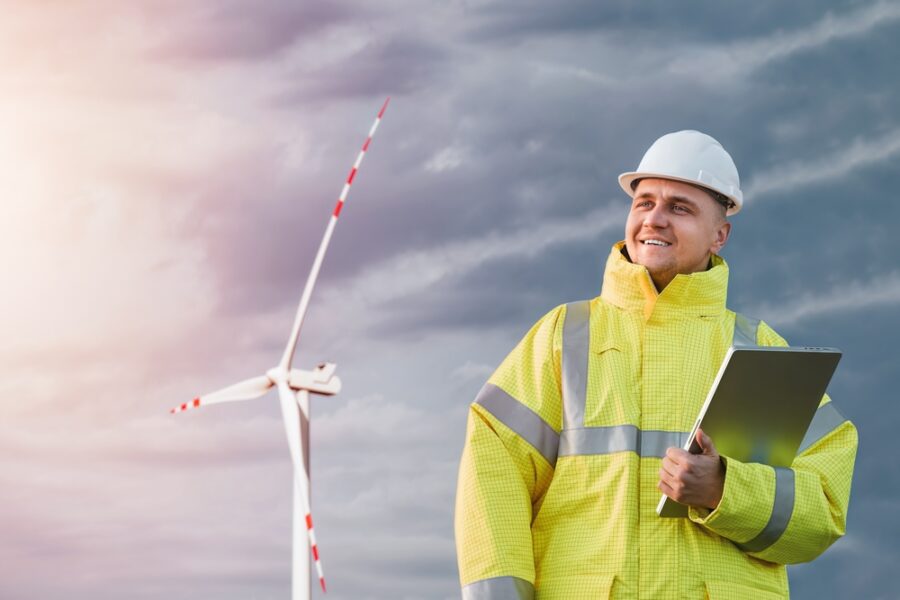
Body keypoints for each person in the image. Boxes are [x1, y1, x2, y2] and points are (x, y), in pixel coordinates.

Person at [454, 130, 858, 599]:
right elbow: (492, 484)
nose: (655, 220)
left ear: (719, 235)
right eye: (644, 203)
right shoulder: (563, 337)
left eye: (679, 208)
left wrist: (727, 490)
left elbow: (823, 509)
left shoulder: (759, 349)